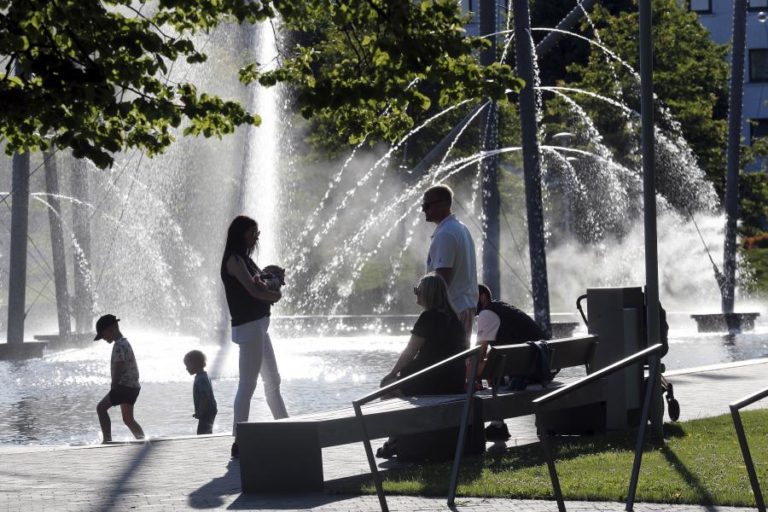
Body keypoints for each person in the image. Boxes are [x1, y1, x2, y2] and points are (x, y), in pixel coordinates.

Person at [377, 273, 466, 460]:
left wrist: (392, 374)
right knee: (397, 386)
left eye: (418, 291)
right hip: (454, 383)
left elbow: (409, 352)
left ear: (428, 295)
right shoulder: (456, 320)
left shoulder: (428, 318)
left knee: (386, 388)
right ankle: (404, 436)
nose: (416, 295)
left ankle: (396, 439)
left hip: (431, 382)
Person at [221, 215, 288, 458]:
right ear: (240, 234)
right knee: (247, 385)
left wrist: (272, 278)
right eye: (252, 233)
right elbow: (252, 290)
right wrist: (275, 296)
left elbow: (260, 284)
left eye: (257, 233)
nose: (255, 238)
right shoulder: (234, 261)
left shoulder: (245, 259)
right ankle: (240, 439)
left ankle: (286, 427)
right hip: (249, 327)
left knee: (273, 380)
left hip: (258, 325)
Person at [475, 284, 548, 441]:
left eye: (471, 298)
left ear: (482, 298)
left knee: (486, 367)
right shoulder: (502, 308)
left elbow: (478, 353)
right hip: (541, 364)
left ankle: (497, 424)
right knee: (494, 363)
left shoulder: (486, 313)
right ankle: (497, 424)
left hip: (527, 371)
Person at [421, 184, 478, 345]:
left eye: (427, 205)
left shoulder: (446, 233)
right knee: (458, 361)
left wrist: (432, 314)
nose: (424, 210)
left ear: (444, 204)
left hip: (451, 312)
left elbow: (442, 279)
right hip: (463, 307)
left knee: (445, 361)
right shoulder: (460, 228)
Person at [95, 314, 145, 443]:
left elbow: (118, 366)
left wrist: (113, 385)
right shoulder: (125, 342)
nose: (103, 338)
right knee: (128, 419)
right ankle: (142, 439)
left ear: (111, 329)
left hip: (123, 387)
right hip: (133, 387)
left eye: (103, 335)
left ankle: (107, 439)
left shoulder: (118, 346)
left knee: (101, 408)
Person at [184, 350, 218, 435]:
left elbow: (205, 396)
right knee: (205, 431)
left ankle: (207, 446)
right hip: (208, 409)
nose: (186, 368)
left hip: (207, 410)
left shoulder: (201, 378)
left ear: (196, 364)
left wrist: (200, 411)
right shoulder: (202, 376)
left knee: (202, 433)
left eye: (187, 365)